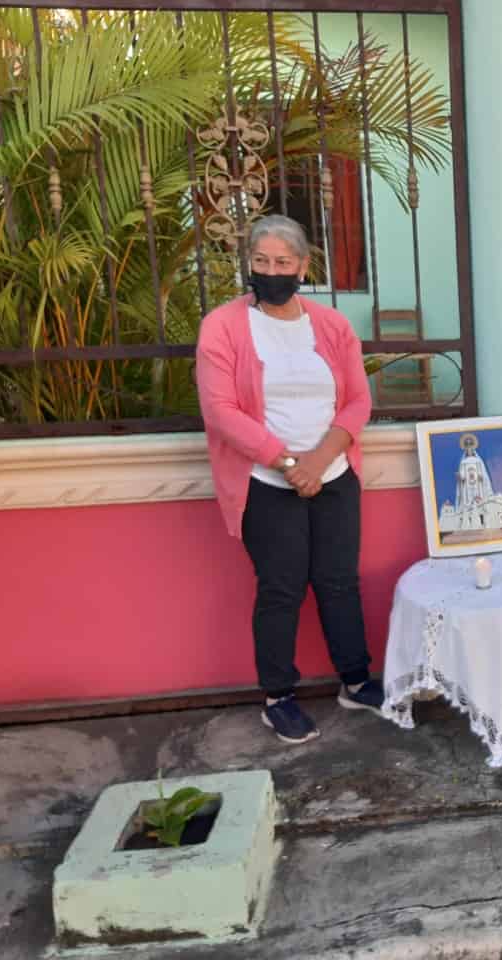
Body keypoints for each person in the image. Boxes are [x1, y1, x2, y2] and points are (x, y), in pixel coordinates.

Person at [196, 214, 381, 745]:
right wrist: (286, 464)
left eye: (282, 262)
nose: (271, 271)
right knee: (281, 589)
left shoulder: (331, 326)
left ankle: (355, 679)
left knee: (339, 581)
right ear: (248, 265)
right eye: (261, 262)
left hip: (333, 475)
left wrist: (319, 462)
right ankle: (278, 698)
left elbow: (358, 399)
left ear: (303, 266)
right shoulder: (224, 327)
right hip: (266, 482)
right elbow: (221, 411)